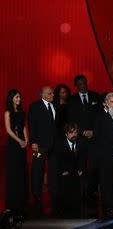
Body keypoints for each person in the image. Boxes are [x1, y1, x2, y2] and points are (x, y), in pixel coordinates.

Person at [66, 74, 101, 207]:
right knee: (80, 165)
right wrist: (81, 132)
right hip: (79, 138)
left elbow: (99, 117)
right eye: (80, 84)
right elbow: (71, 118)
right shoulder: (72, 100)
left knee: (94, 165)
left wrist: (93, 132)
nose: (83, 85)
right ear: (76, 86)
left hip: (94, 138)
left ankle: (92, 191)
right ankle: (82, 192)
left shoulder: (95, 96)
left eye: (84, 83)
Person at [29, 86, 59, 214]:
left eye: (52, 93)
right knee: (38, 169)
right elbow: (32, 124)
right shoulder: (35, 106)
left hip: (54, 145)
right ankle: (36, 195)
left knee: (54, 169)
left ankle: (54, 192)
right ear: (42, 94)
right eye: (50, 93)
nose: (53, 95)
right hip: (40, 144)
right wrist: (33, 141)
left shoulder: (55, 106)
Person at [54, 123, 87, 217]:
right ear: (66, 134)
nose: (74, 135)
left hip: (77, 173)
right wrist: (64, 170)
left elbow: (82, 157)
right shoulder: (60, 144)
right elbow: (59, 160)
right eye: (71, 133)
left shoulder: (81, 142)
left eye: (75, 132)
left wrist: (80, 168)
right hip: (65, 173)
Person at [4, 89, 28, 215]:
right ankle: (13, 203)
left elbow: (23, 126)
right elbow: (8, 130)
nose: (19, 99)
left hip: (21, 144)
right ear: (12, 98)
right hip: (13, 145)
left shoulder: (21, 112)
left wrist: (26, 139)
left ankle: (22, 201)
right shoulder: (8, 112)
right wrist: (19, 140)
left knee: (21, 171)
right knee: (13, 172)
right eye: (17, 97)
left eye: (20, 97)